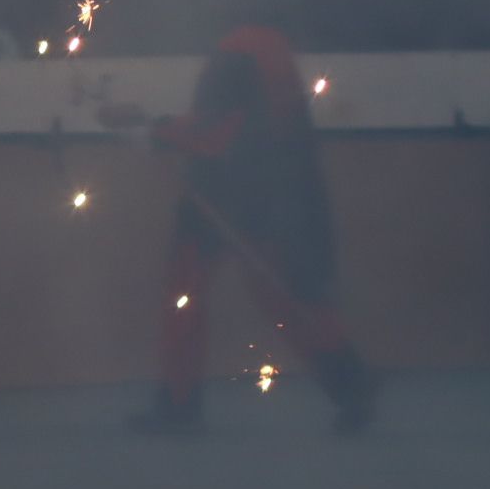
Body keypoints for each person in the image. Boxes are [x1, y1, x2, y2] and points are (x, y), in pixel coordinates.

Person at [112, 26, 377, 433]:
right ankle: (352, 386)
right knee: (282, 292)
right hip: (266, 188)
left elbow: (215, 131)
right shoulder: (270, 48)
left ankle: (179, 407)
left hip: (232, 189)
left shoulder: (239, 53)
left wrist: (156, 135)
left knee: (196, 292)